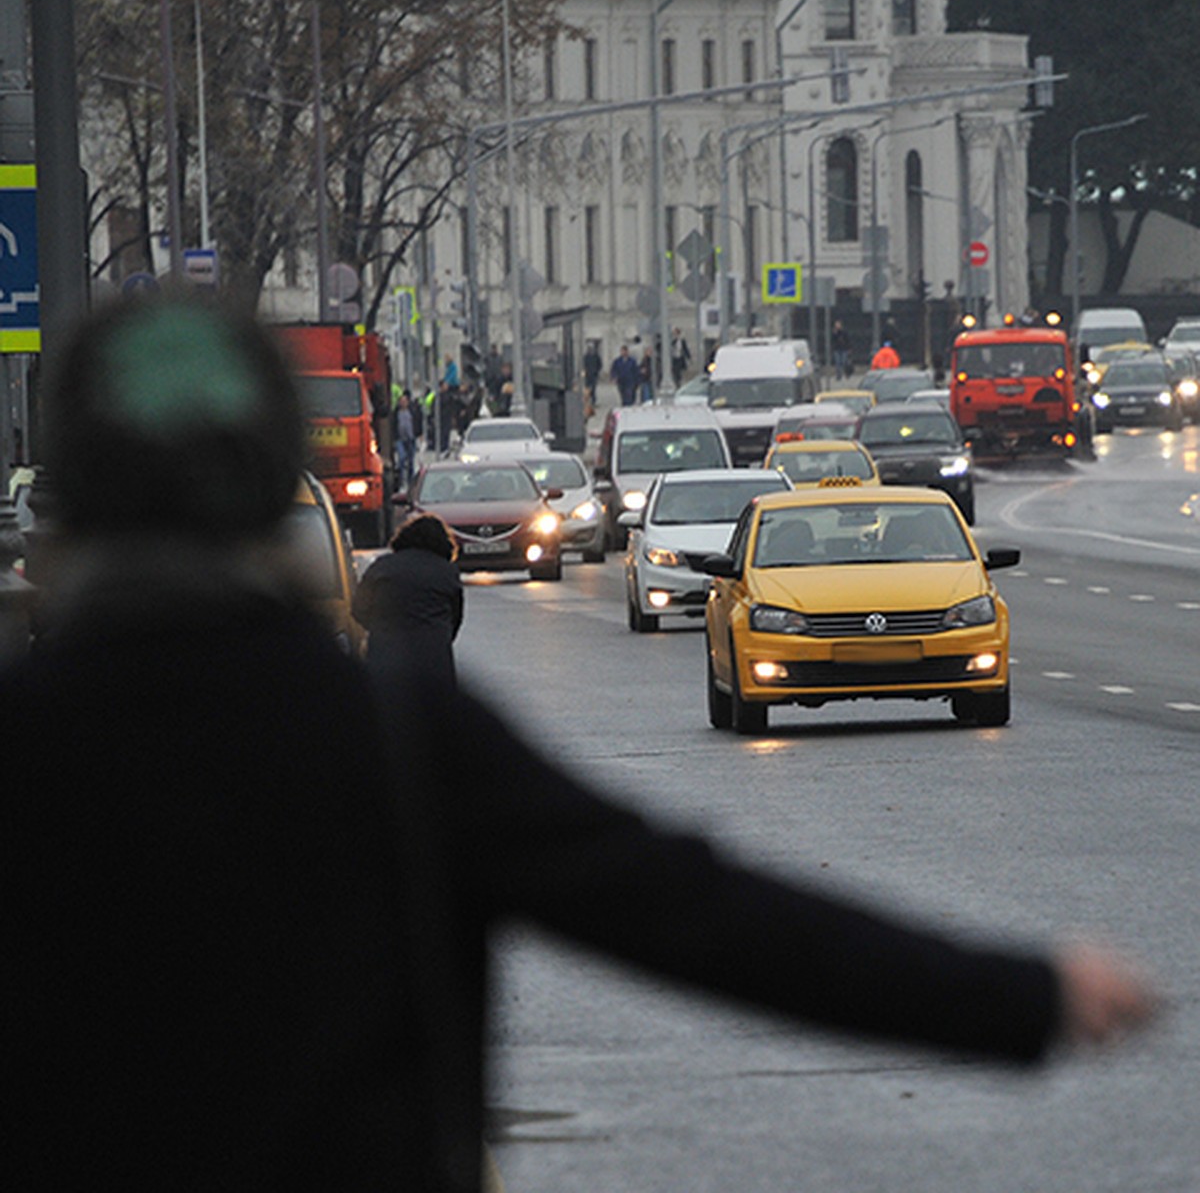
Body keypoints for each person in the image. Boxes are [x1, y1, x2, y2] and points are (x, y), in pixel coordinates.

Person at [5, 292, 1157, 1191]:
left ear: (79, 494)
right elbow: (704, 917)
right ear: (272, 485)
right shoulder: (391, 739)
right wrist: (1025, 999)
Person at [353, 512, 463, 687]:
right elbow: (454, 618)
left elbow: (358, 609)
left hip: (386, 656)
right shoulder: (447, 572)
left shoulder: (382, 566)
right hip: (434, 661)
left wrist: (380, 628)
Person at [393, 390, 416, 490]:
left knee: (411, 460)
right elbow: (393, 425)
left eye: (404, 401)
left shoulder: (412, 412)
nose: (403, 403)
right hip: (400, 439)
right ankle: (401, 479)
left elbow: (416, 423)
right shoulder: (395, 414)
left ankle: (410, 480)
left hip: (410, 439)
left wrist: (418, 434)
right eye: (401, 401)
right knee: (402, 458)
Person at [582, 341, 602, 417]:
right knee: (587, 389)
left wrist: (596, 371)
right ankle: (588, 401)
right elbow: (583, 364)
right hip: (587, 375)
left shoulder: (596, 356)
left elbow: (600, 364)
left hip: (594, 375)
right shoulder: (586, 357)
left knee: (593, 388)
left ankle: (593, 401)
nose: (590, 349)